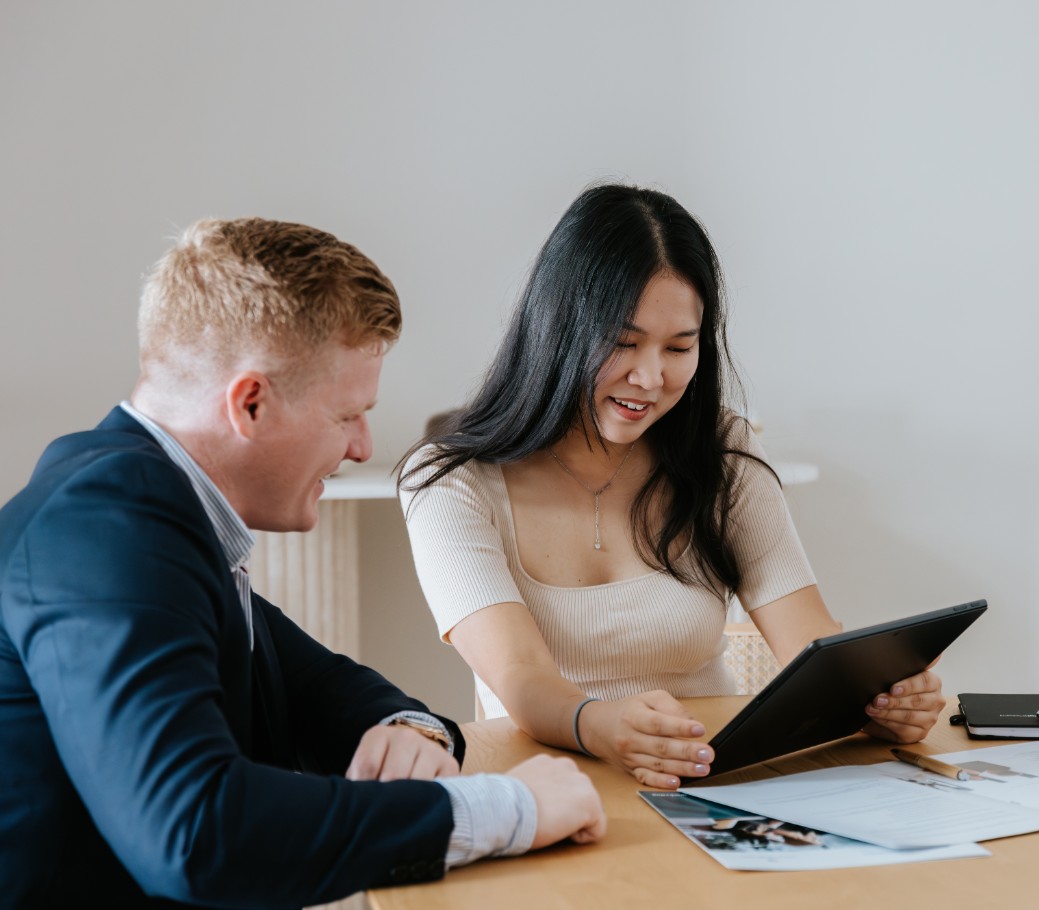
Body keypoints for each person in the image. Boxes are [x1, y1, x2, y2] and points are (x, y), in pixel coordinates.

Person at [0, 218, 606, 909]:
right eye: (347, 415)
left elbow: (307, 679)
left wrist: (407, 730)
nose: (361, 445)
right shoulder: (106, 524)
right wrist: (509, 811)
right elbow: (197, 834)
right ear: (250, 403)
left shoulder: (147, 503)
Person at [399, 185, 946, 791]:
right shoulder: (450, 482)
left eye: (679, 347)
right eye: (624, 343)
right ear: (558, 328)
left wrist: (877, 699)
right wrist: (601, 724)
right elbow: (522, 678)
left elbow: (809, 639)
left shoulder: (723, 452)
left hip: (714, 781)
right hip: (547, 794)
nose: (651, 377)